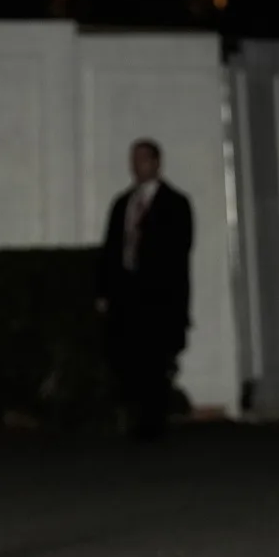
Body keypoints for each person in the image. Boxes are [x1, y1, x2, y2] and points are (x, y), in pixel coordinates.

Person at [95, 139, 193, 440]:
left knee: (155, 358)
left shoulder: (175, 203)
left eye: (142, 160)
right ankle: (135, 417)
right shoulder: (122, 204)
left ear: (156, 163)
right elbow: (111, 250)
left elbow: (178, 251)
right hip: (126, 294)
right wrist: (105, 291)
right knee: (128, 357)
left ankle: (153, 421)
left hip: (158, 295)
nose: (136, 166)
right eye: (133, 160)